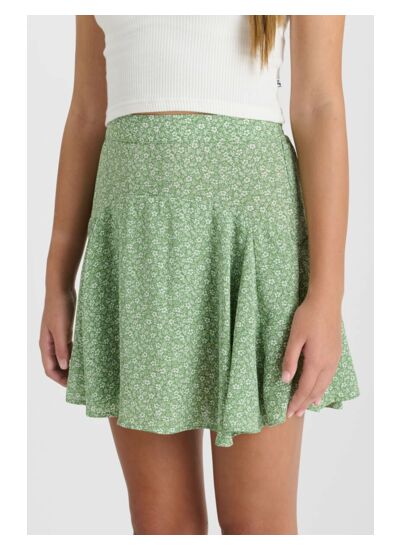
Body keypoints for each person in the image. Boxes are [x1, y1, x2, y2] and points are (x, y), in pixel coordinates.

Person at [39, 15, 360, 535]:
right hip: (138, 248)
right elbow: (86, 113)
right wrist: (57, 280)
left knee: (258, 526)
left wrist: (327, 293)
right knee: (161, 525)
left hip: (252, 243)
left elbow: (320, 105)